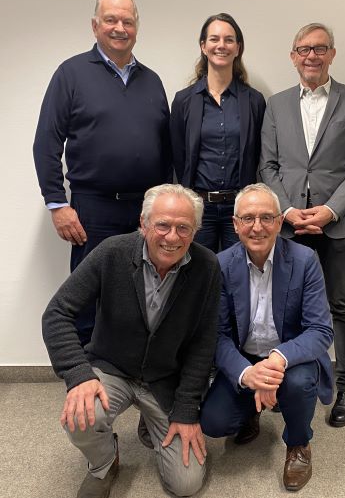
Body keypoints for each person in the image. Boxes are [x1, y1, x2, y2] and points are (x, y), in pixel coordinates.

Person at [42, 184, 221, 498]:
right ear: (144, 223)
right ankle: (104, 463)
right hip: (112, 369)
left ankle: (150, 420)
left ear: (195, 231)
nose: (172, 236)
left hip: (165, 379)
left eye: (184, 227)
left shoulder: (207, 267)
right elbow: (57, 312)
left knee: (186, 484)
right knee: (82, 417)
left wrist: (186, 411)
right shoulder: (112, 251)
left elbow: (203, 343)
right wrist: (78, 375)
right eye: (162, 225)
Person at [33, 0, 171, 345]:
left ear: (136, 28)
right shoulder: (71, 73)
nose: (119, 27)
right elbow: (46, 142)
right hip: (92, 208)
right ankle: (85, 380)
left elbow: (167, 149)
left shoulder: (152, 81)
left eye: (127, 20)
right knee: (87, 295)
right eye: (111, 20)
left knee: (143, 292)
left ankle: (129, 372)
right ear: (95, 26)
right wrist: (57, 204)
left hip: (144, 210)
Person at [259, 23, 345, 428]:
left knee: (343, 305)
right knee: (288, 307)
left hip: (338, 224)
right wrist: (288, 211)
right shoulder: (276, 105)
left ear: (332, 53)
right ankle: (295, 381)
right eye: (304, 49)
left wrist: (331, 210)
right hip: (289, 227)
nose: (312, 56)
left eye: (320, 48)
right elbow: (267, 166)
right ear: (293, 55)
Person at [200, 183, 333, 491]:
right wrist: (248, 374)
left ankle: (299, 444)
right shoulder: (220, 265)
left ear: (278, 221)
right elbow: (216, 335)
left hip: (290, 356)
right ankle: (251, 410)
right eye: (248, 218)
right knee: (214, 422)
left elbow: (320, 330)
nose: (257, 227)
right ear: (235, 224)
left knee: (299, 383)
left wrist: (278, 358)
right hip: (244, 357)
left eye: (266, 218)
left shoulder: (304, 260)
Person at [170, 13, 266, 253]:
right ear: (203, 46)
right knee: (199, 278)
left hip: (241, 209)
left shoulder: (254, 101)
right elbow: (178, 158)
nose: (221, 45)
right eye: (214, 39)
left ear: (238, 48)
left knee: (240, 276)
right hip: (199, 208)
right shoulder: (183, 101)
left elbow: (260, 157)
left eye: (229, 40)